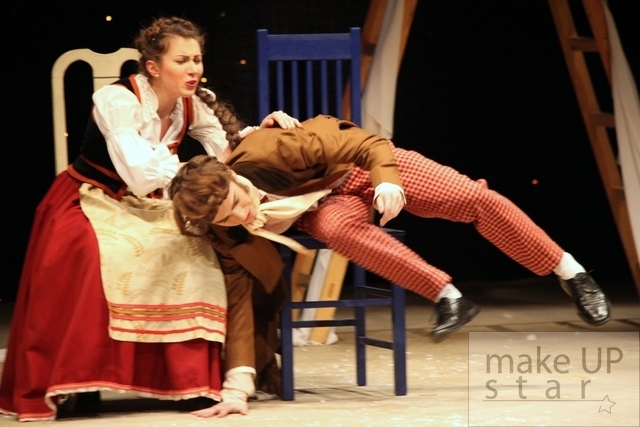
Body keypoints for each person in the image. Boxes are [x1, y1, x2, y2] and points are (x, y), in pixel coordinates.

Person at [0, 16, 299, 421]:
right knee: (87, 253)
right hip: (90, 196)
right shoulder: (117, 101)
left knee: (195, 251)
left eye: (197, 59)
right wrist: (196, 175)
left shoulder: (193, 102)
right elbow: (139, 174)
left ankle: (189, 380)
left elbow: (226, 152)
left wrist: (258, 136)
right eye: (182, 60)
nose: (193, 69)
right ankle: (81, 379)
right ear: (154, 66)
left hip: (150, 202)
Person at [169, 114, 612, 346]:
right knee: (333, 228)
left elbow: (367, 143)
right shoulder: (219, 217)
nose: (242, 214)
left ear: (234, 178)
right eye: (227, 217)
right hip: (326, 204)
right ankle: (448, 297)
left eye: (237, 201)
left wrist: (386, 180)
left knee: (471, 198)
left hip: (362, 167)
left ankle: (570, 272)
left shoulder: (272, 149)